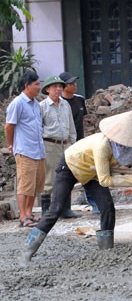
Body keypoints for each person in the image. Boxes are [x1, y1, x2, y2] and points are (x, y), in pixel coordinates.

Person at [20, 111, 132, 264]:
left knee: (107, 208)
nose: (131, 146)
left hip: (92, 173)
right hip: (70, 166)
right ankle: (28, 251)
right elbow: (105, 180)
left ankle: (106, 252)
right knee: (56, 209)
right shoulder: (102, 146)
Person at [5, 70, 46, 228]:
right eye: (36, 84)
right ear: (27, 86)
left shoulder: (36, 104)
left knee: (35, 185)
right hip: (25, 150)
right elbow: (9, 126)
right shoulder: (17, 103)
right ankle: (23, 217)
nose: (39, 87)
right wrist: (12, 144)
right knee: (25, 185)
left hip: (38, 149)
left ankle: (29, 213)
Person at [59, 71, 100, 215]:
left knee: (88, 173)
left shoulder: (80, 99)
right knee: (66, 176)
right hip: (64, 144)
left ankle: (95, 204)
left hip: (80, 142)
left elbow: (83, 120)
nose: (74, 85)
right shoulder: (59, 103)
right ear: (63, 87)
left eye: (74, 82)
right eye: (71, 84)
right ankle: (65, 208)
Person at [39, 76, 80, 218]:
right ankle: (46, 210)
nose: (58, 89)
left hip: (66, 144)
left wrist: (72, 143)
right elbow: (39, 128)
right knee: (49, 177)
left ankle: (65, 208)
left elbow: (71, 126)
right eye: (55, 86)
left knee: (67, 175)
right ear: (47, 89)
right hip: (50, 144)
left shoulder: (65, 105)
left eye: (60, 86)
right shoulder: (42, 106)